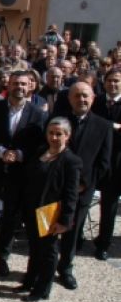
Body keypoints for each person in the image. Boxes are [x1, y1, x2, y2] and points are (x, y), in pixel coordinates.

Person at [0, 71, 47, 275]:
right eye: (15, 83)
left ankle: (2, 257)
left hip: (19, 174)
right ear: (9, 85)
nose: (19, 87)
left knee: (10, 217)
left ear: (30, 86)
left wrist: (20, 154)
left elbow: (40, 144)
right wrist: (1, 151)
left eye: (23, 84)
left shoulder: (38, 114)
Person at [17, 117, 81, 302]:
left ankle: (42, 290)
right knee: (34, 248)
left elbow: (71, 194)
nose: (54, 137)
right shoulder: (40, 151)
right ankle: (29, 281)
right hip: (32, 210)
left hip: (51, 213)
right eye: (51, 133)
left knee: (48, 252)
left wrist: (65, 221)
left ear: (67, 136)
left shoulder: (71, 161)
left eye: (58, 134)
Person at [56, 82, 112, 290]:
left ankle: (66, 268)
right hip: (55, 186)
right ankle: (44, 266)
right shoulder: (58, 121)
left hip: (82, 189)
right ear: (70, 98)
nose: (82, 99)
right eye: (77, 96)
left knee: (72, 230)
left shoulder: (103, 126)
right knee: (50, 227)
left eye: (85, 96)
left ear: (93, 98)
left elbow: (103, 163)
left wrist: (85, 185)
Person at [92, 69, 121, 261]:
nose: (112, 84)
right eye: (109, 81)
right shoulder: (97, 101)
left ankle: (103, 243)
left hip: (118, 163)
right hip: (97, 160)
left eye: (116, 81)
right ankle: (76, 239)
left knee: (109, 206)